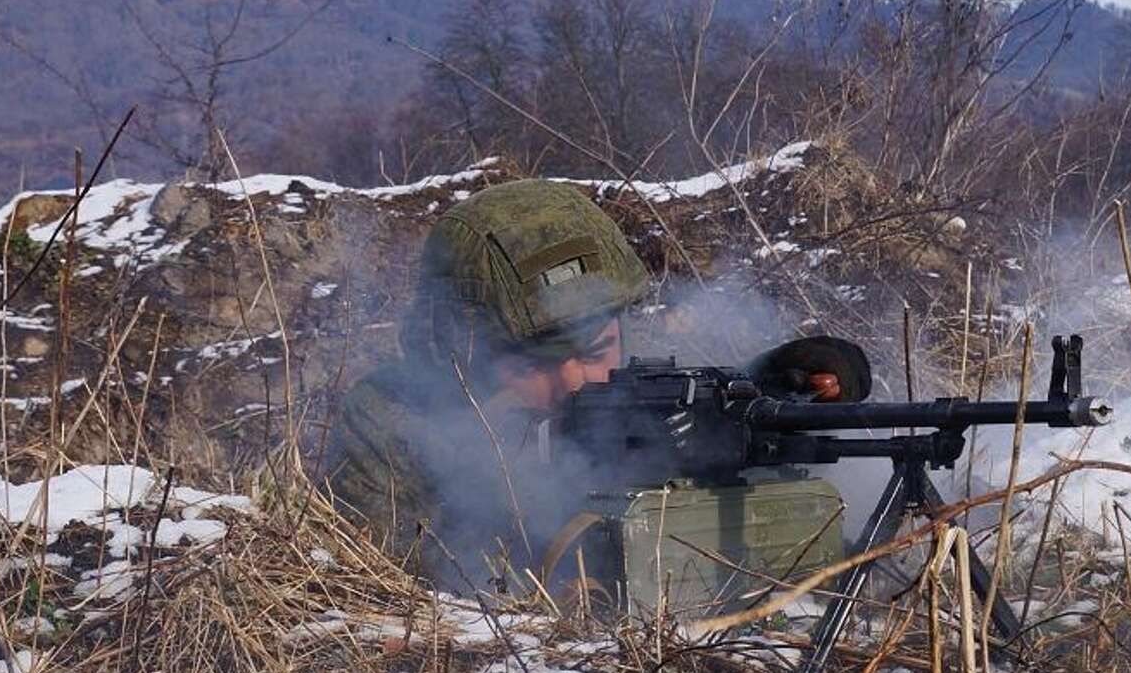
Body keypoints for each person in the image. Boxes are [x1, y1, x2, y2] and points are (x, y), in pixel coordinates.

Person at [324, 177, 865, 591]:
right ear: (464, 350)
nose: (577, 382)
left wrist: (777, 382)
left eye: (594, 350)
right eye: (536, 363)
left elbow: (700, 395)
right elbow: (416, 586)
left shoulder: (625, 364)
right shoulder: (390, 422)